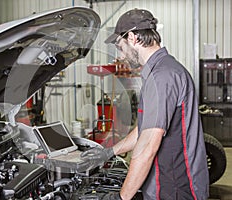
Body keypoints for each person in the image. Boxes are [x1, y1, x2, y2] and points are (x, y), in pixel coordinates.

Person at [81, 8, 209, 200]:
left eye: (120, 46)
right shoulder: (164, 70)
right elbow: (144, 129)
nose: (121, 55)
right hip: (171, 183)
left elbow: (148, 146)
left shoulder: (161, 77)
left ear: (132, 37)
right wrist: (108, 153)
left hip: (174, 188)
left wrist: (122, 197)